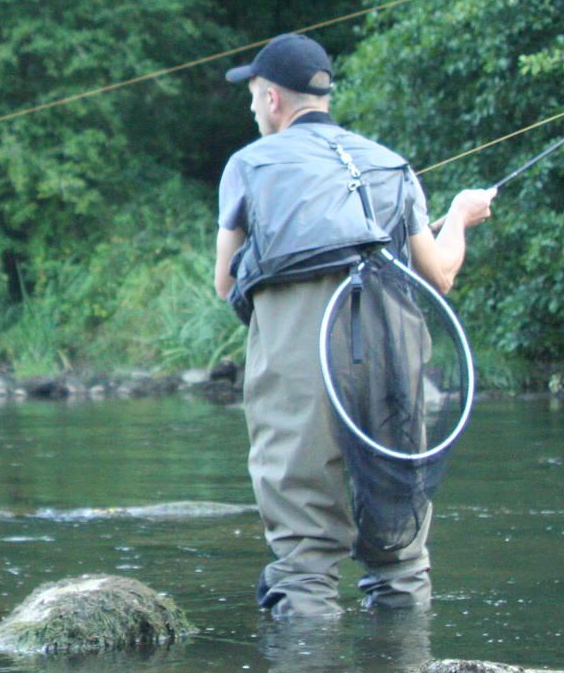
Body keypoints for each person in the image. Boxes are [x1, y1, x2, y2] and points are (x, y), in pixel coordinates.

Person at [212, 33, 495, 617]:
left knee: (305, 548)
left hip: (300, 350)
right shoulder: (391, 163)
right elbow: (438, 275)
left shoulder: (248, 164)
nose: (251, 107)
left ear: (271, 99)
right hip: (394, 345)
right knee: (400, 552)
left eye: (253, 96)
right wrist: (462, 217)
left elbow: (225, 284)